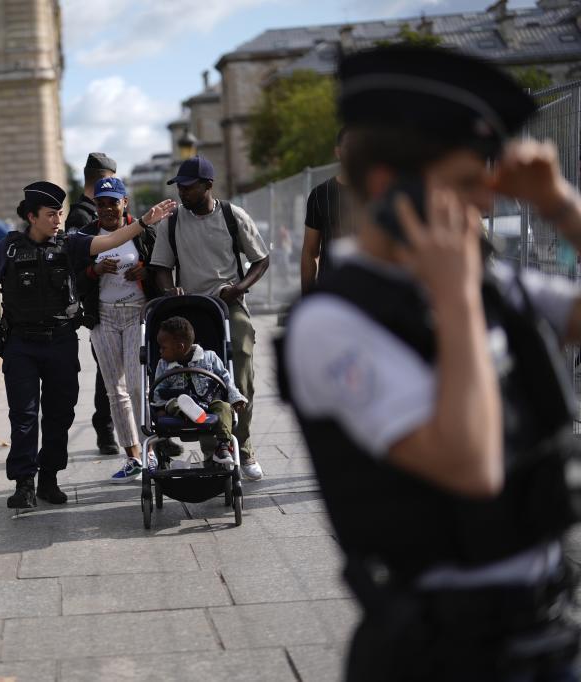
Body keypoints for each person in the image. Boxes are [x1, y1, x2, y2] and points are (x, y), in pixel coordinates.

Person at [277, 45, 581, 680]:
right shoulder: (334, 322)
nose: (489, 204)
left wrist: (560, 206)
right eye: (468, 183)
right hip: (443, 652)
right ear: (391, 188)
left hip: (549, 627)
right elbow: (469, 465)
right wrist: (455, 294)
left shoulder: (493, 281)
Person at [0, 181, 176, 508]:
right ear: (32, 217)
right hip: (20, 344)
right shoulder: (7, 248)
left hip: (60, 342)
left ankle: (48, 479)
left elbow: (111, 239)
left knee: (59, 415)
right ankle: (24, 483)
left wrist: (144, 222)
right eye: (51, 214)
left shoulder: (71, 243)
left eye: (60, 213)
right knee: (23, 415)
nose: (58, 220)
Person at [149, 155, 268, 481]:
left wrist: (239, 287)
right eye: (180, 187)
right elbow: (160, 267)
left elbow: (261, 260)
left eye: (188, 187)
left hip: (227, 305)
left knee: (240, 368)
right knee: (196, 377)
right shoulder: (171, 223)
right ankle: (215, 447)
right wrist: (168, 289)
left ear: (208, 186)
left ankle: (243, 447)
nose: (183, 193)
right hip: (189, 307)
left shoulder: (233, 216)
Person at [74, 177, 161, 483]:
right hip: (104, 318)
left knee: (139, 387)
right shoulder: (86, 236)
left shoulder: (143, 230)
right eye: (101, 203)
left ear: (125, 202)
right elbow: (75, 281)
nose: (108, 208)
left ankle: (151, 450)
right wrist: (93, 270)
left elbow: (161, 268)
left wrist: (145, 270)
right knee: (116, 390)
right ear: (95, 206)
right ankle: (133, 456)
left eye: (114, 201)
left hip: (138, 313)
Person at [67, 152, 119, 456]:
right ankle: (105, 429)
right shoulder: (82, 218)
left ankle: (112, 428)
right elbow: (77, 266)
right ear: (104, 178)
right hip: (99, 306)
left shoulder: (88, 212)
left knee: (113, 371)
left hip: (117, 303)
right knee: (107, 371)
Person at [152, 317, 247, 468]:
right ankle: (187, 412)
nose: (160, 351)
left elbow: (226, 379)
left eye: (163, 348)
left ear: (180, 347)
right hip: (179, 405)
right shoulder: (163, 365)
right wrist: (159, 409)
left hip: (209, 403)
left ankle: (222, 446)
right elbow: (158, 390)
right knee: (174, 403)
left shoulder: (209, 357)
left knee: (224, 407)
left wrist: (235, 398)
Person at [300, 127, 355, 294]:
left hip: (372, 297)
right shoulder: (320, 195)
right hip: (333, 294)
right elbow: (310, 252)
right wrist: (307, 298)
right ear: (338, 152)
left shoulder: (381, 194)